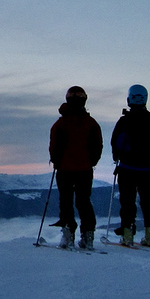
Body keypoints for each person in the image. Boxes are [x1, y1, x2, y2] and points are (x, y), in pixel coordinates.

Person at [48, 86, 103, 250]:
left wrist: (56, 161)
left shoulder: (60, 124)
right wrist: (91, 162)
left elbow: (54, 146)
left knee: (66, 201)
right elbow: (97, 146)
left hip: (64, 169)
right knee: (84, 202)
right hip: (85, 169)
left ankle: (68, 235)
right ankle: (88, 236)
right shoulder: (91, 123)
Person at [110, 84, 150, 246]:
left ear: (129, 99)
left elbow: (116, 143)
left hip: (127, 168)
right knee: (148, 201)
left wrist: (117, 156)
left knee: (127, 202)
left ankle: (127, 234)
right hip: (148, 169)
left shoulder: (124, 121)